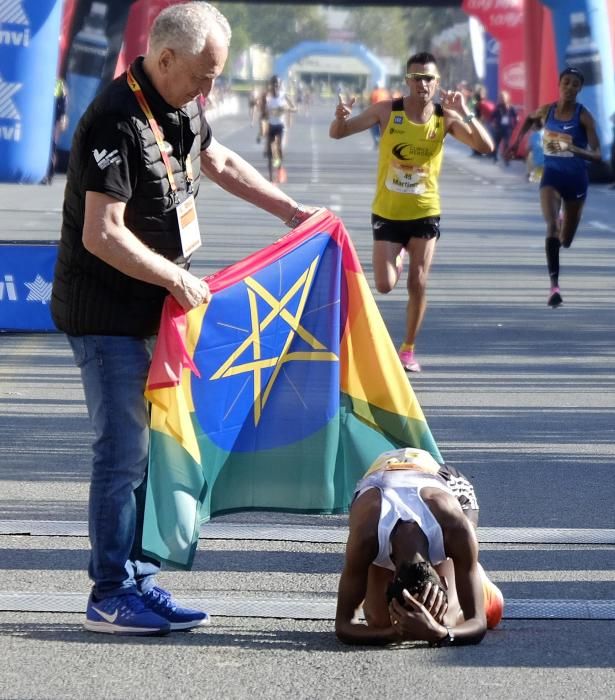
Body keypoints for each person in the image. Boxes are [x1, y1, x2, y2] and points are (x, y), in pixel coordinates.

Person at [50, 2, 315, 636]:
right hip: (109, 314)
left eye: (215, 77)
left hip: (156, 310)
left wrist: (290, 212)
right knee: (121, 455)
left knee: (148, 451)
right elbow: (101, 234)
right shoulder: (115, 120)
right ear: (163, 58)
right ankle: (109, 591)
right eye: (203, 75)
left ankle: (139, 578)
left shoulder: (181, 100)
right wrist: (175, 276)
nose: (210, 90)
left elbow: (217, 162)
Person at [329, 52, 494, 372]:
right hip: (388, 212)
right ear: (407, 80)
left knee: (418, 281)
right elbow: (339, 133)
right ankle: (398, 257)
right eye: (417, 78)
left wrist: (466, 113)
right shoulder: (386, 111)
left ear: (437, 82)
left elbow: (486, 147)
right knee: (385, 284)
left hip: (425, 211)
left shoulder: (445, 117)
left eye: (429, 78)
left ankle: (407, 349)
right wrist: (340, 116)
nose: (423, 84)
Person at [335, 447, 503, 646]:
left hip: (443, 484)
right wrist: (395, 633)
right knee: (380, 621)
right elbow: (343, 626)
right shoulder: (367, 536)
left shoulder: (455, 530)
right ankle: (466, 575)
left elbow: (478, 624)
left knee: (444, 619)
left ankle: (472, 574)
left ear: (444, 581)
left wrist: (440, 632)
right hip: (385, 476)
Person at [508, 67, 602, 307]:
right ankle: (554, 287)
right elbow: (530, 118)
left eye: (575, 85)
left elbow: (598, 155)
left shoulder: (584, 116)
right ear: (559, 84)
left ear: (579, 89)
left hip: (576, 181)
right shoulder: (547, 110)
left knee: (566, 239)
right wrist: (516, 142)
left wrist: (574, 149)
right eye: (566, 82)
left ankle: (563, 222)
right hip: (551, 176)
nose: (570, 88)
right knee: (551, 226)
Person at [264, 75, 296, 183]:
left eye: (277, 84)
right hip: (271, 125)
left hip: (280, 126)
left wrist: (286, 108)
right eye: (274, 84)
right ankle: (270, 178)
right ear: (271, 85)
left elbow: (294, 108)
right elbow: (264, 112)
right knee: (270, 153)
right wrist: (270, 112)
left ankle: (279, 168)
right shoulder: (267, 97)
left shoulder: (284, 96)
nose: (276, 86)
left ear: (280, 85)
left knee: (279, 149)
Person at [490, 90, 517, 165]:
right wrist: (493, 123)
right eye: (501, 98)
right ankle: (495, 157)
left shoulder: (511, 107)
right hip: (499, 127)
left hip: (507, 128)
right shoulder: (498, 107)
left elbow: (515, 117)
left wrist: (513, 125)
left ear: (507, 98)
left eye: (503, 97)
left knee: (506, 144)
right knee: (496, 143)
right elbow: (492, 116)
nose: (502, 99)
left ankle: (506, 159)